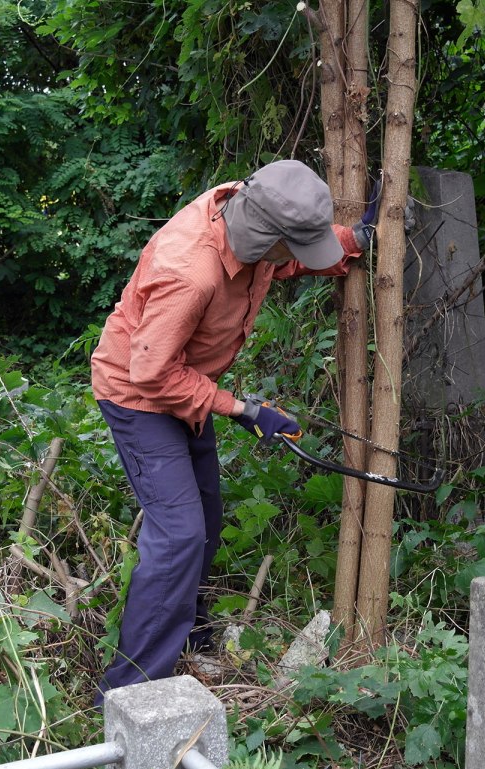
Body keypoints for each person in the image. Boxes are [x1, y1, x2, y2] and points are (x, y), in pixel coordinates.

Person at [89, 159, 376, 699]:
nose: (290, 259)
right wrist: (243, 409)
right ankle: (131, 693)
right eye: (290, 246)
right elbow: (149, 374)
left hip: (183, 386)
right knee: (177, 535)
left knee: (206, 520)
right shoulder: (190, 271)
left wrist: (353, 241)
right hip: (139, 396)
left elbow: (287, 263)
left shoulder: (251, 230)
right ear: (265, 237)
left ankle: (189, 635)